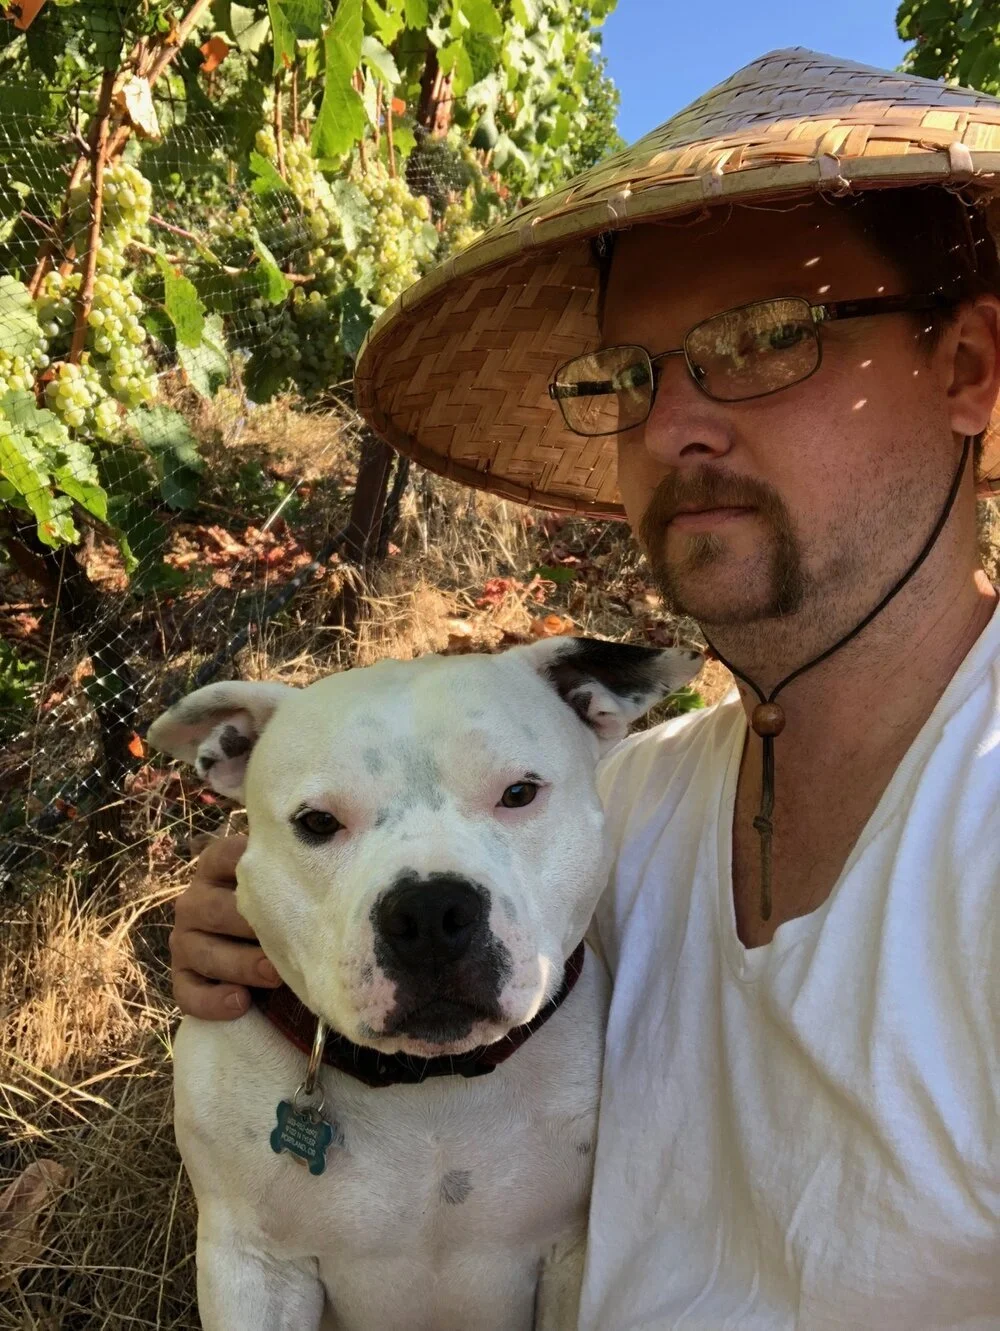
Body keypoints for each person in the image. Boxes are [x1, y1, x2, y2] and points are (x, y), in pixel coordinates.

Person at [168, 49, 1000, 1328]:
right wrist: (260, 918)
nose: (671, 426)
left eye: (765, 338)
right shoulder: (616, 796)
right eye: (629, 375)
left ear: (968, 369)